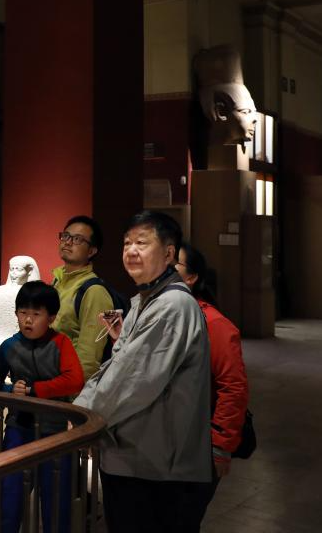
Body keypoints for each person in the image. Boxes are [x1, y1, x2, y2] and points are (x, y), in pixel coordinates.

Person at [74, 211, 211, 533]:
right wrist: (82, 409)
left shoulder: (171, 305)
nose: (131, 251)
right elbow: (118, 365)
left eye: (142, 242)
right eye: (127, 243)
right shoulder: (143, 300)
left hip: (154, 467)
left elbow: (131, 380)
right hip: (136, 459)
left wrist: (85, 417)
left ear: (168, 253)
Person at [0, 281, 84, 533]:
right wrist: (10, 391)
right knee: (10, 495)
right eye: (23, 312)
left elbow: (75, 379)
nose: (28, 320)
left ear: (51, 317)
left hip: (55, 431)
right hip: (18, 427)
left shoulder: (61, 343)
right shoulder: (9, 345)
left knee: (56, 499)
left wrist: (36, 389)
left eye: (36, 314)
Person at [175, 243, 249, 515]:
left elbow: (233, 387)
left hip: (195, 444)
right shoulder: (158, 313)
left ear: (192, 277)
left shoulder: (214, 323)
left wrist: (220, 446)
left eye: (173, 263)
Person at [52, 216, 124, 382]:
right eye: (65, 236)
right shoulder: (57, 281)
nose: (68, 242)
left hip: (68, 389)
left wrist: (71, 394)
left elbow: (89, 359)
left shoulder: (94, 291)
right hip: (50, 382)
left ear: (91, 251)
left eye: (77, 239)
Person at [0, 255, 42, 350]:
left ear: (29, 271)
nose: (14, 273)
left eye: (19, 270)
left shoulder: (34, 295)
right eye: (12, 269)